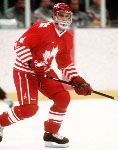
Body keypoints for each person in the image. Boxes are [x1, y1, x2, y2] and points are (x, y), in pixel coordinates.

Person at [0, 3, 92, 148]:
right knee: (29, 110)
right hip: (25, 71)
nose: (64, 19)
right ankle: (1, 122)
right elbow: (19, 45)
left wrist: (76, 79)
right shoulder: (41, 28)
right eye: (61, 15)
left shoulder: (67, 38)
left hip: (44, 71)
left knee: (63, 97)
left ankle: (51, 135)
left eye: (67, 16)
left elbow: (64, 63)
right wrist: (32, 64)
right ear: (54, 16)